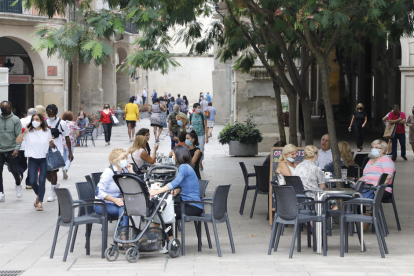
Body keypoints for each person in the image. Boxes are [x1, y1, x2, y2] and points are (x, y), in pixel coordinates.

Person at [149, 145, 203, 238]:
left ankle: (169, 241)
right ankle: (157, 240)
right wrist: (178, 191)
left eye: (173, 155)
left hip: (192, 206)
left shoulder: (184, 167)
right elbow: (187, 186)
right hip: (191, 204)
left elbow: (174, 183)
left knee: (165, 211)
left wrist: (155, 192)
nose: (172, 158)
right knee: (163, 210)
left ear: (178, 156)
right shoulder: (187, 167)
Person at [16, 114, 54, 211]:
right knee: (32, 181)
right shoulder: (29, 132)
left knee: (42, 181)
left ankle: (40, 202)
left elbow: (52, 146)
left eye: (37, 119)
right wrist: (25, 131)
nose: (35, 121)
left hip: (44, 159)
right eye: (33, 119)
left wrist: (51, 142)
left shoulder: (47, 131)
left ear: (41, 121)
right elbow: (17, 140)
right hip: (32, 159)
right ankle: (38, 194)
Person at [95, 148, 135, 234]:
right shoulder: (108, 172)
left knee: (127, 208)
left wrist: (131, 172)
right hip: (103, 204)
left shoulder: (124, 171)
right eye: (123, 158)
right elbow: (98, 192)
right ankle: (123, 236)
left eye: (126, 158)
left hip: (118, 202)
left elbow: (135, 185)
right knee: (124, 210)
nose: (125, 161)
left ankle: (122, 237)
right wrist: (114, 200)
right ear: (115, 160)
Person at [46, 104, 73, 202]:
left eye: (52, 111)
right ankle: (55, 184)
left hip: (57, 150)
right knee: (46, 172)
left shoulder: (61, 123)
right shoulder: (44, 122)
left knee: (53, 170)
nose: (50, 113)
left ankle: (52, 192)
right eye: (48, 111)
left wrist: (70, 152)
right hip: (45, 149)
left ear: (56, 112)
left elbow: (67, 137)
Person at [0, 101, 23, 202]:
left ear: (10, 108)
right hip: (0, 150)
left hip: (11, 149)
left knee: (14, 170)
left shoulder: (15, 119)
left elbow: (19, 135)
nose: (4, 108)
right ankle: (1, 192)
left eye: (6, 107)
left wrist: (17, 148)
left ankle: (18, 183)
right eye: (2, 107)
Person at [19, 108, 37, 189]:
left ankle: (20, 173)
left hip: (21, 145)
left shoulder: (20, 120)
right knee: (31, 164)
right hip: (32, 146)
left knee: (21, 163)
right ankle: (29, 183)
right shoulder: (36, 121)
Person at [189, 103, 208, 171]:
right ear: (194, 108)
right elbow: (189, 126)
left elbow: (205, 126)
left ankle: (200, 162)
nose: (199, 109)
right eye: (198, 107)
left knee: (201, 149)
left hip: (201, 134)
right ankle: (194, 162)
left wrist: (207, 136)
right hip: (193, 136)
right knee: (193, 148)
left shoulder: (203, 115)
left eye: (200, 107)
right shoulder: (191, 116)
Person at [61, 111, 79, 180]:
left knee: (64, 158)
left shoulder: (61, 123)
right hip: (70, 142)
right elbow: (77, 133)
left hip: (62, 142)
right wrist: (75, 138)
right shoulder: (73, 123)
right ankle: (65, 169)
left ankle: (63, 169)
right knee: (69, 157)